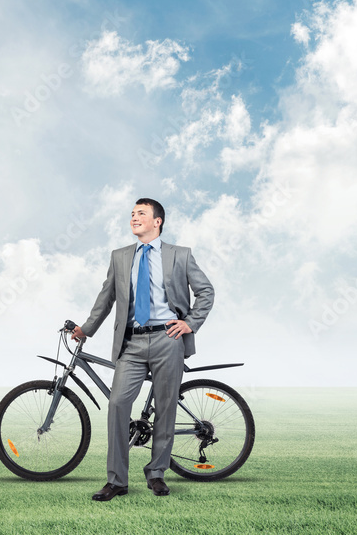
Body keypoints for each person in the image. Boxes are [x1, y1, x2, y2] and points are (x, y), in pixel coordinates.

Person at [72, 198, 214, 501]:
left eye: (141, 214)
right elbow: (105, 298)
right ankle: (117, 481)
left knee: (165, 408)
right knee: (118, 405)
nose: (134, 218)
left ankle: (157, 473)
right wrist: (86, 328)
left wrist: (190, 323)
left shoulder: (181, 255)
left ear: (157, 221)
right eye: (132, 214)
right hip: (132, 343)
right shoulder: (120, 256)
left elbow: (206, 292)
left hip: (168, 340)